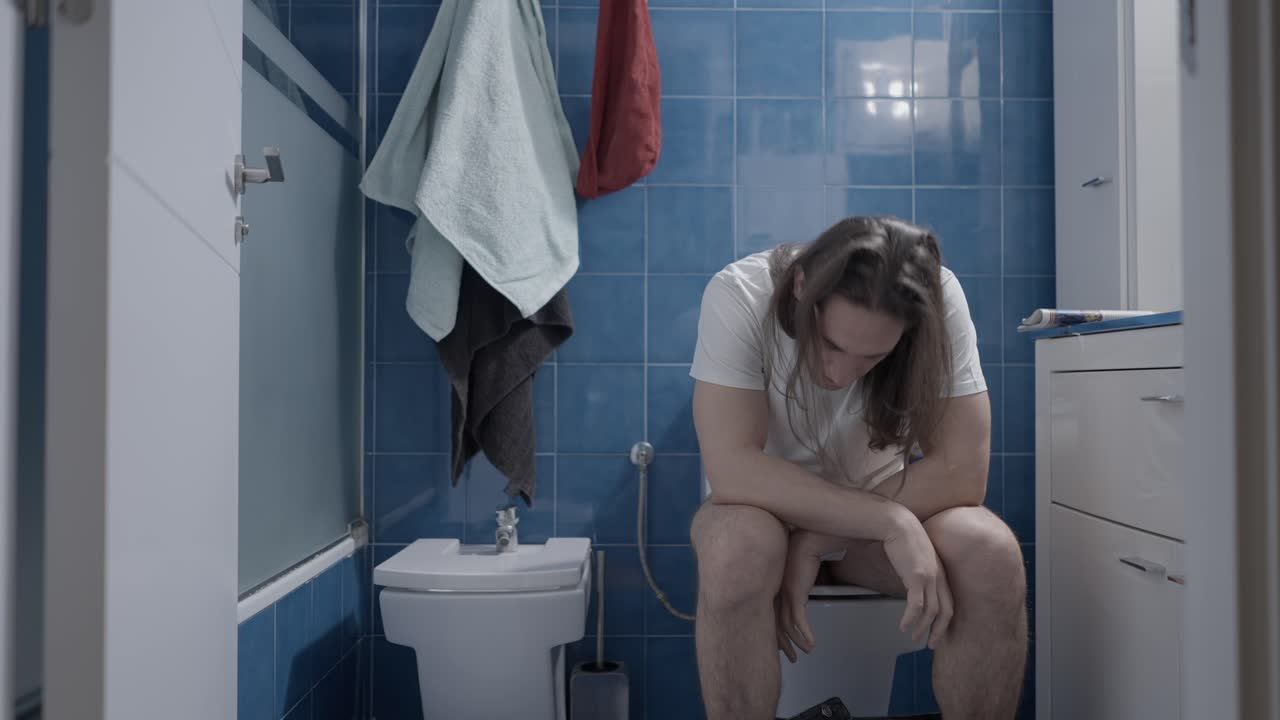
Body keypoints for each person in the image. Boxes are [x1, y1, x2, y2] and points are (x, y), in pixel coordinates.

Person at [689, 216, 1027, 719]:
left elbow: (961, 470)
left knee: (991, 554)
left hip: (872, 525)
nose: (839, 374)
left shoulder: (938, 298)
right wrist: (884, 519)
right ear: (802, 287)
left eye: (872, 358)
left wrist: (819, 537)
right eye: (831, 345)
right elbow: (734, 468)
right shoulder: (741, 293)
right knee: (738, 550)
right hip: (771, 518)